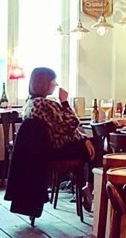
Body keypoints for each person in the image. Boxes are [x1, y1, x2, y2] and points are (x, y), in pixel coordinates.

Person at [23, 67, 94, 210]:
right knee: (97, 146)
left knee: (89, 144)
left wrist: (83, 138)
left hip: (45, 150)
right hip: (57, 150)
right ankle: (89, 187)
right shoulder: (46, 104)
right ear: (44, 83)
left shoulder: (31, 104)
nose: (55, 84)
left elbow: (61, 128)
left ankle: (83, 185)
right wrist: (65, 101)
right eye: (53, 81)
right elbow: (72, 124)